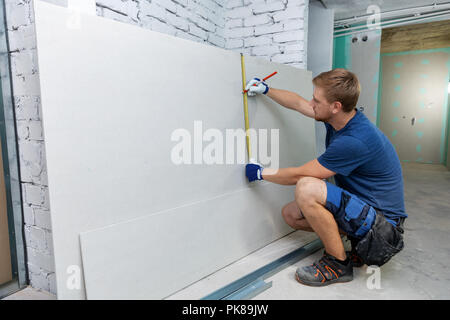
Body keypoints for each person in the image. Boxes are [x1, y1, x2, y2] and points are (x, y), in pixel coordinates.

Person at [244, 68, 407, 287]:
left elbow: (301, 174)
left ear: (335, 106)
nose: (311, 103)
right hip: (368, 213)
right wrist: (267, 90)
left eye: (316, 100)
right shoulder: (339, 119)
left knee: (307, 187)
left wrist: (261, 173)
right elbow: (299, 103)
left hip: (384, 230)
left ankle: (337, 264)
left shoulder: (355, 139)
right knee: (291, 215)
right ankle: (357, 243)